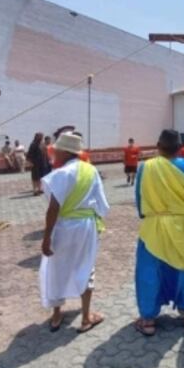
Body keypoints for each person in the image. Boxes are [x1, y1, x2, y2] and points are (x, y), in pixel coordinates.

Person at [134, 129, 184, 336]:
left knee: (149, 270)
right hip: (183, 226)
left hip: (153, 226)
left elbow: (140, 199)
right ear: (179, 148)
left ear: (158, 145)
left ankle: (148, 320)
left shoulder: (145, 167)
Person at [40, 132, 109, 333]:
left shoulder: (62, 174)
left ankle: (56, 315)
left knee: (57, 267)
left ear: (63, 152)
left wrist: (46, 238)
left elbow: (53, 209)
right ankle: (86, 317)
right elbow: (102, 203)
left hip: (64, 226)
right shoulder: (91, 170)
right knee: (86, 267)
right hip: (87, 225)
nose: (53, 153)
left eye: (56, 150)